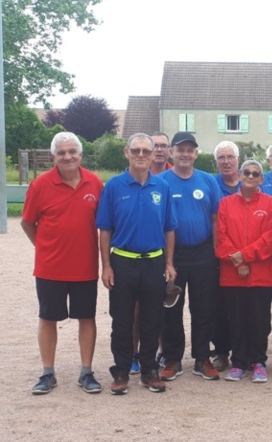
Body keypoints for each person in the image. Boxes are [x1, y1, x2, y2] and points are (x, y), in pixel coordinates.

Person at [21, 132, 104, 395]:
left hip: (85, 267)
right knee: (47, 318)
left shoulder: (94, 183)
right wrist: (44, 247)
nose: (67, 157)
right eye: (61, 153)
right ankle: (48, 373)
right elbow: (27, 222)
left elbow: (104, 224)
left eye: (72, 152)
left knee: (87, 317)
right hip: (50, 268)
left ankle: (86, 371)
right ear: (54, 156)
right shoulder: (40, 185)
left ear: (80, 154)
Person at [97, 133, 177, 395]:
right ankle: (121, 372)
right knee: (121, 320)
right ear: (126, 152)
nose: (141, 155)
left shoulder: (162, 187)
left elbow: (169, 229)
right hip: (123, 262)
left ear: (154, 153)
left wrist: (169, 263)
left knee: (152, 320)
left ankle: (149, 370)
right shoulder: (114, 186)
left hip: (153, 263)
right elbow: (105, 229)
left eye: (146, 150)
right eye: (136, 150)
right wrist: (106, 266)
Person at [157, 132, 223, 383]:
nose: (185, 154)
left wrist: (216, 253)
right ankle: (172, 358)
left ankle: (202, 357)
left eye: (190, 150)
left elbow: (216, 219)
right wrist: (166, 261)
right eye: (180, 149)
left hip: (203, 253)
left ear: (196, 153)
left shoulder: (208, 181)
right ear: (171, 152)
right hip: (172, 256)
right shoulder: (161, 182)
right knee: (170, 308)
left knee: (204, 308)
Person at [216, 160, 272, 383]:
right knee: (236, 318)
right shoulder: (225, 204)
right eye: (247, 173)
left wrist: (245, 257)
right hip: (232, 273)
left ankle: (258, 362)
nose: (251, 176)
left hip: (261, 273)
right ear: (240, 175)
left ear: (262, 178)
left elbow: (269, 238)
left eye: (256, 173)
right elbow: (221, 236)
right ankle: (239, 362)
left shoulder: (271, 204)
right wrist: (238, 261)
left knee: (260, 319)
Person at [130, 132, 174, 374]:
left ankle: (162, 352)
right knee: (137, 308)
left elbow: (170, 224)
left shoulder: (171, 178)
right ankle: (134, 353)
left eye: (162, 146)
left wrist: (169, 260)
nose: (157, 150)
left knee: (159, 308)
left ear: (169, 150)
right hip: (138, 256)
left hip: (165, 254)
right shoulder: (130, 174)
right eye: (153, 146)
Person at [211, 140, 242, 372]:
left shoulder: (250, 181)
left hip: (248, 255)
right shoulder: (211, 184)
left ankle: (247, 350)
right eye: (221, 158)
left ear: (238, 159)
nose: (226, 161)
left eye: (230, 157)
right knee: (219, 306)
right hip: (220, 254)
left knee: (248, 304)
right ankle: (221, 351)